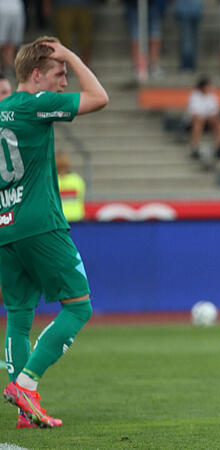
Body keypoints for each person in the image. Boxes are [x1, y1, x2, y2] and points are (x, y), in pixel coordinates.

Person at [0, 36, 108, 428]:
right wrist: (72, 55)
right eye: (59, 74)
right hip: (40, 224)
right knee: (79, 306)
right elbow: (99, 98)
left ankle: (24, 412)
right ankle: (26, 385)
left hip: (5, 227)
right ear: (36, 75)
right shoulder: (34, 104)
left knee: (18, 316)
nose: (64, 82)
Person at [186, 76, 220, 160]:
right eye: (208, 86)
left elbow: (215, 112)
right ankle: (195, 149)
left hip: (208, 121)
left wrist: (212, 118)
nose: (210, 88)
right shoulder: (194, 95)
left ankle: (219, 149)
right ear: (202, 87)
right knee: (198, 123)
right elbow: (194, 115)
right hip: (196, 122)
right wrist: (207, 117)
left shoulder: (212, 95)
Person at [56, 151, 86, 222]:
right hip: (76, 217)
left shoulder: (52, 181)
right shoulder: (77, 180)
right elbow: (81, 198)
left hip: (59, 219)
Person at [0, 0, 25, 76]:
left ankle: (8, 71)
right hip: (2, 9)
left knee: (13, 44)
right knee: (1, 43)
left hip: (17, 9)